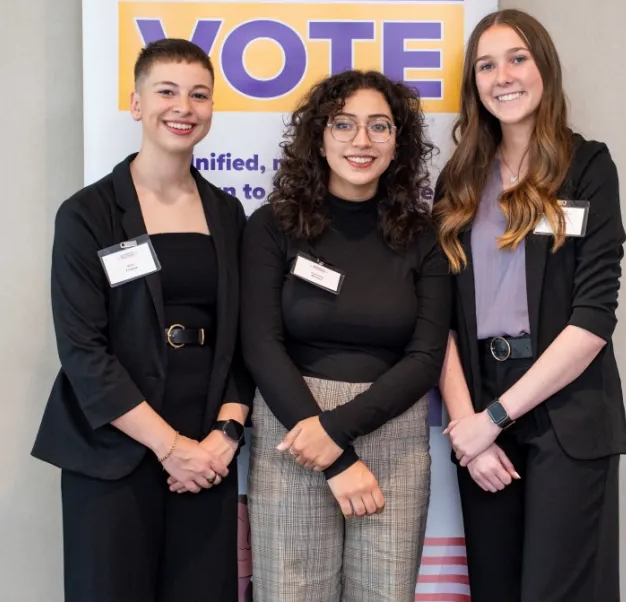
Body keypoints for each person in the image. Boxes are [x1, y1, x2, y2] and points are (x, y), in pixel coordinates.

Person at [32, 38, 253, 602]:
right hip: (115, 450)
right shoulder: (88, 213)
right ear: (136, 103)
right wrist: (168, 446)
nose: (184, 106)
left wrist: (224, 437)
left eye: (199, 94)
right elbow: (83, 351)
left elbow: (244, 337)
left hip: (207, 454)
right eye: (167, 91)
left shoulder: (228, 213)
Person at [434, 9, 626, 602]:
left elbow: (593, 318)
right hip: (481, 400)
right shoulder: (459, 180)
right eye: (486, 65)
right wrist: (471, 426)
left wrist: (497, 417)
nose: (503, 76)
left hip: (564, 408)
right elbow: (435, 315)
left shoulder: (587, 166)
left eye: (517, 58)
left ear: (544, 67)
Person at [240, 69, 450, 602]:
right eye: (344, 124)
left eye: (379, 126)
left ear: (398, 141)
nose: (362, 141)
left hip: (393, 436)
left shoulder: (424, 235)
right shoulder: (272, 226)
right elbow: (261, 346)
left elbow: (426, 358)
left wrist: (337, 431)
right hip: (294, 432)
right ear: (319, 135)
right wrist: (329, 450)